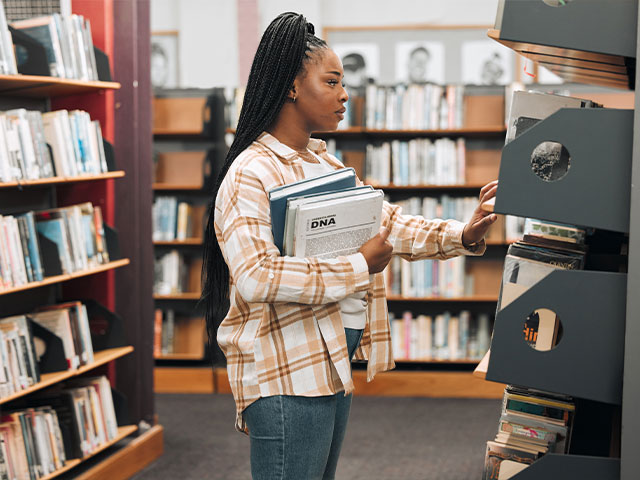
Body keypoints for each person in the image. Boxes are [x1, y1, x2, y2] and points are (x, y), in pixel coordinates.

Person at [202, 12, 498, 480]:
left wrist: (464, 233)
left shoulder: (325, 164)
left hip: (333, 359)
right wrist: (359, 267)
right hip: (285, 371)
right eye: (333, 81)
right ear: (293, 87)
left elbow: (389, 225)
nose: (346, 94)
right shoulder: (250, 174)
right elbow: (258, 275)